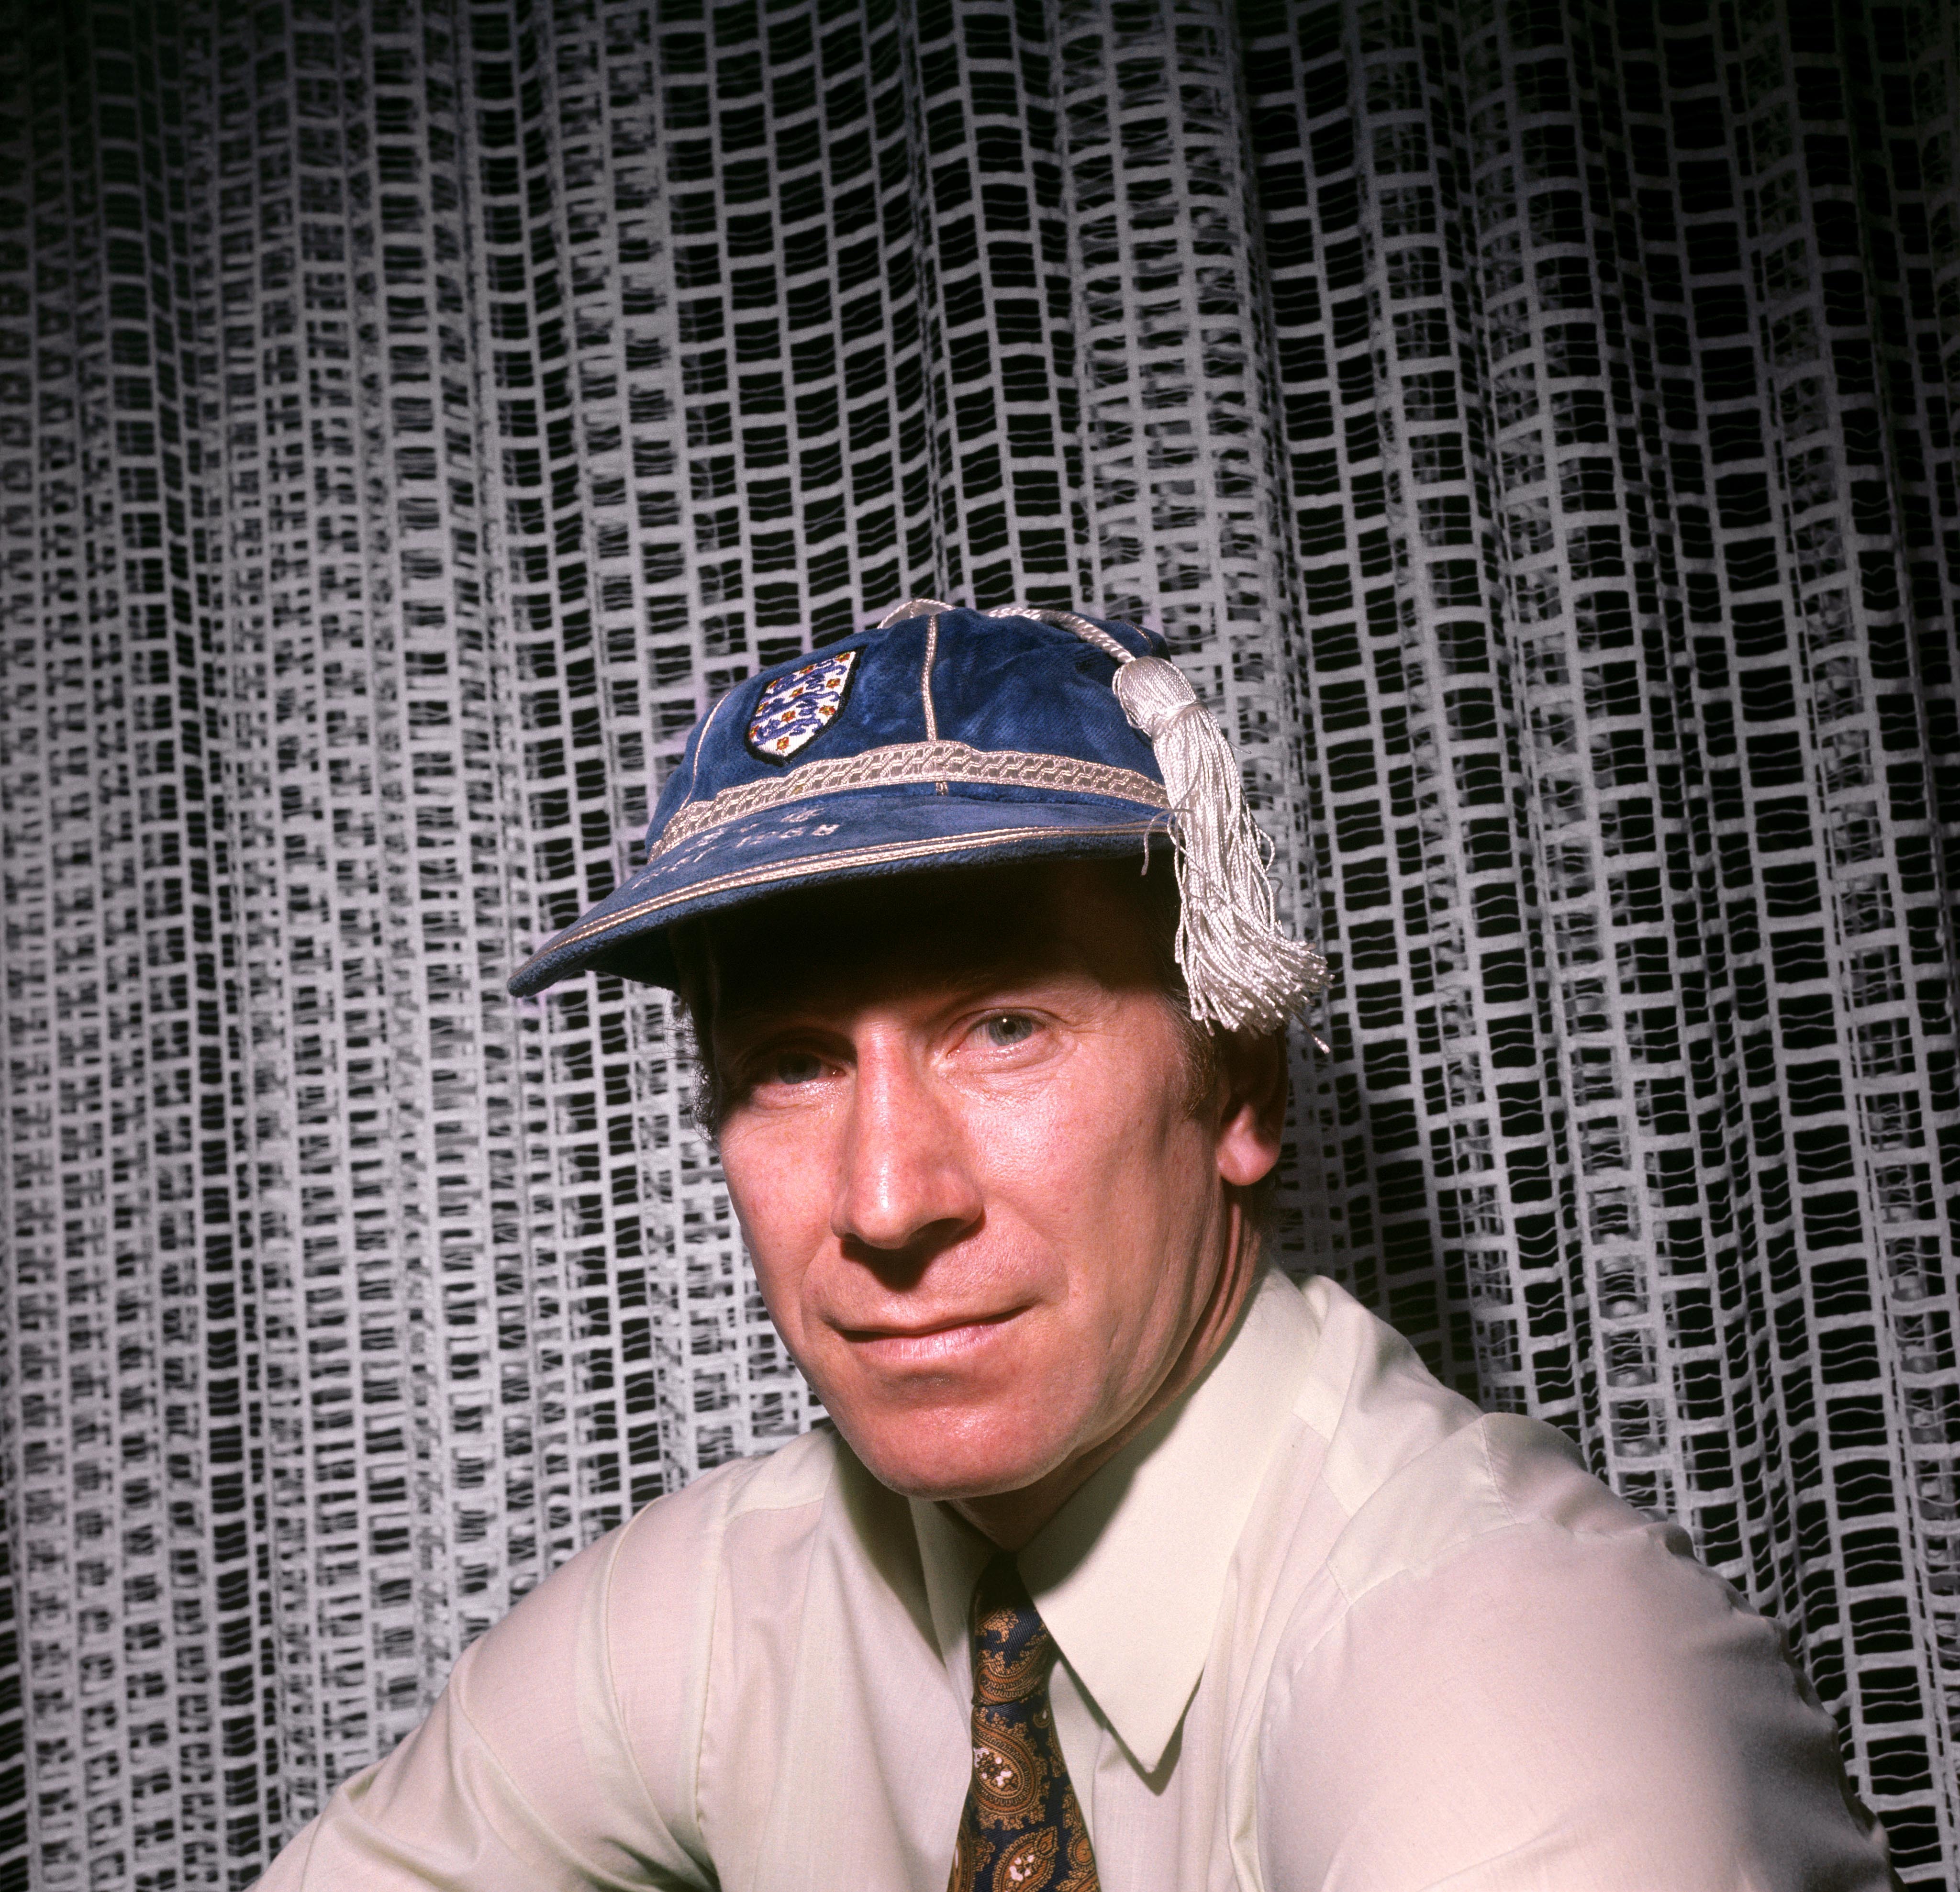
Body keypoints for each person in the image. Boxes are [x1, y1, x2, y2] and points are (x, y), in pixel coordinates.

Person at [259, 603, 1899, 1890]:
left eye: (1006, 1028)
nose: (888, 1198)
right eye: (794, 1061)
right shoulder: (717, 1610)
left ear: (1237, 1078)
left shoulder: (1505, 1669)